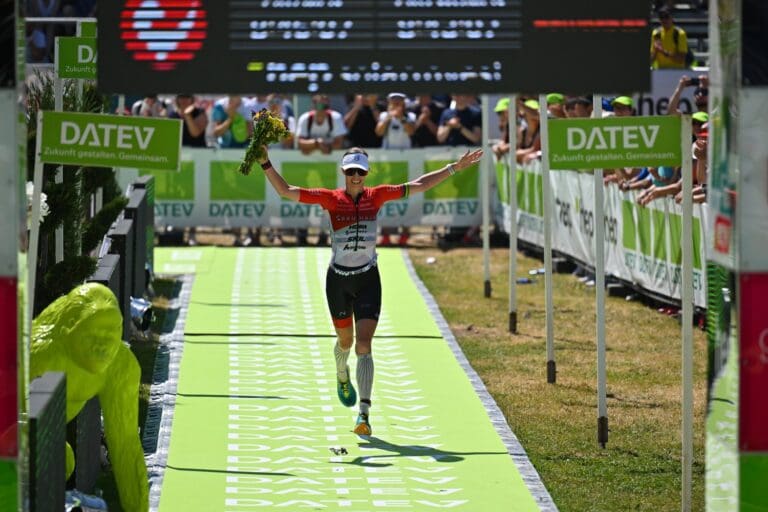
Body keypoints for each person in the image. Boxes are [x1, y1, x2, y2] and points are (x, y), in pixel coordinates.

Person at [257, 144, 483, 435]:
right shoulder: (331, 199)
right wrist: (265, 163)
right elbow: (286, 191)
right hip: (338, 281)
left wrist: (454, 168)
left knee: (364, 345)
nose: (355, 176)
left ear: (366, 173)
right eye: (351, 171)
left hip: (367, 280)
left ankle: (363, 414)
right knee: (346, 344)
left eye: (360, 172)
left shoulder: (376, 196)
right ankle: (341, 372)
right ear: (343, 172)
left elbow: (418, 185)